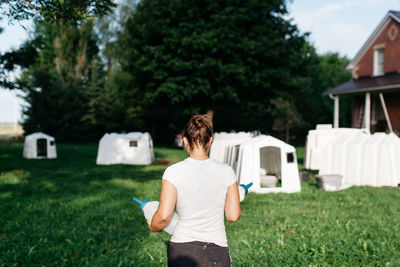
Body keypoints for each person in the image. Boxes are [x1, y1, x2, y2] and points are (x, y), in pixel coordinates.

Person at [148, 114, 241, 266]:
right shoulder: (227, 171)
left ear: (185, 141)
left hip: (182, 249)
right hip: (216, 251)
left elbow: (164, 216)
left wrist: (153, 225)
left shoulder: (173, 171)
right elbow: (233, 215)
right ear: (210, 141)